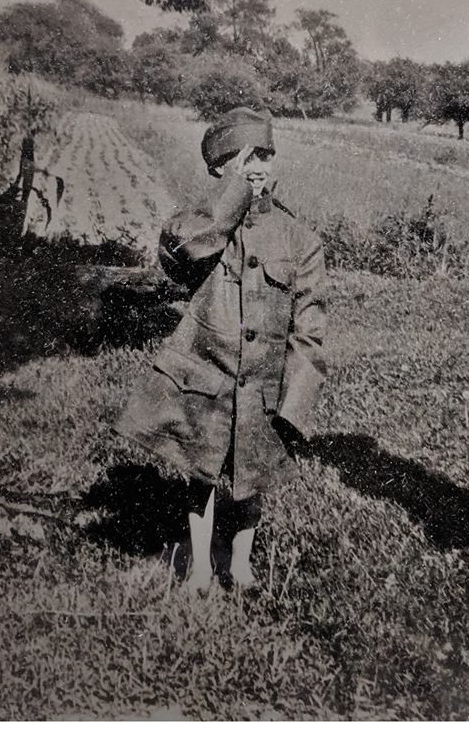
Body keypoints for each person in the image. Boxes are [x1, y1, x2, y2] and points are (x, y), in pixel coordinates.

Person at [115, 106, 327, 592]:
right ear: (219, 168)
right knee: (201, 473)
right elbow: (186, 249)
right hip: (207, 376)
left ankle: (242, 562)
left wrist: (294, 404)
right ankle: (200, 568)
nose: (256, 167)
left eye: (265, 156)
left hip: (264, 383)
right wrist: (231, 195)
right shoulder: (201, 226)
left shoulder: (300, 238)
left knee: (253, 478)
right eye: (242, 157)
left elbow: (311, 329)